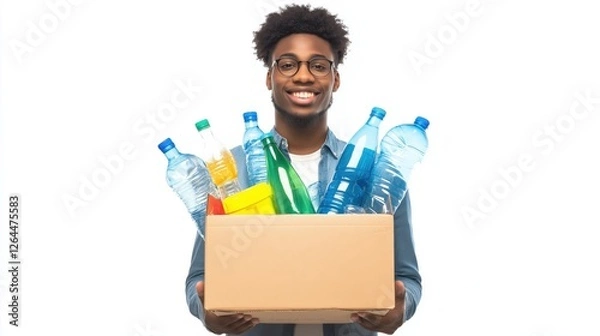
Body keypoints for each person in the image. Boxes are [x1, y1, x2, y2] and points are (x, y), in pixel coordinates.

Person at [185, 4, 422, 336]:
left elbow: (408, 278)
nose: (303, 75)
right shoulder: (231, 169)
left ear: (335, 78)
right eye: (287, 64)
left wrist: (400, 309)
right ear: (269, 77)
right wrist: (208, 313)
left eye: (319, 65)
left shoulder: (374, 170)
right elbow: (199, 278)